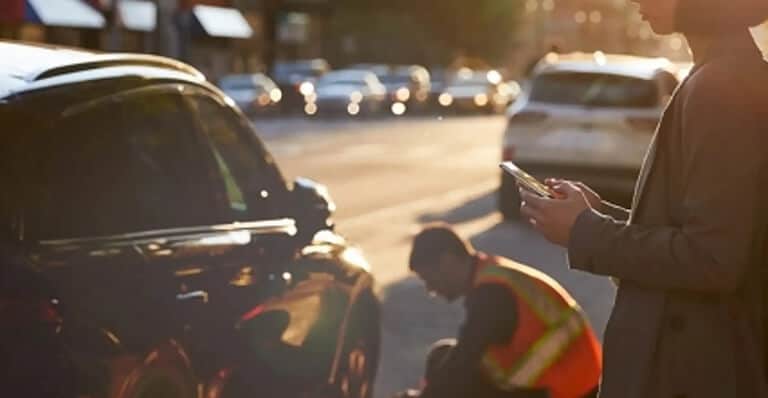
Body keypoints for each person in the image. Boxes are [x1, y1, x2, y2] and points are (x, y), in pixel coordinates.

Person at [518, 0, 768, 397]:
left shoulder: (720, 88)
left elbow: (713, 257)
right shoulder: (720, 74)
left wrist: (587, 231)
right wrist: (599, 216)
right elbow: (710, 229)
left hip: (694, 371)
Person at [404, 224, 601, 398]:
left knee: (458, 382)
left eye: (428, 278)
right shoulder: (493, 274)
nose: (430, 289)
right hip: (576, 381)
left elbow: (463, 361)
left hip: (569, 391)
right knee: (442, 356)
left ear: (447, 262)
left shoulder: (490, 295)